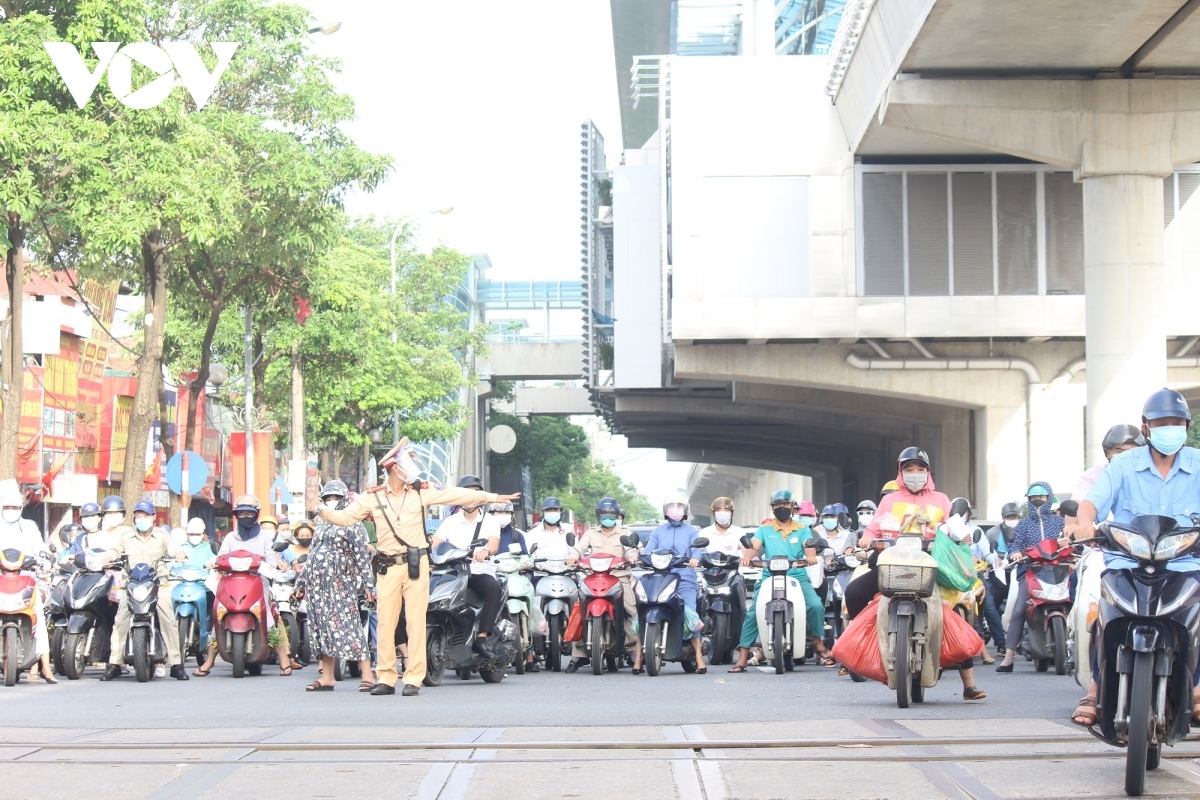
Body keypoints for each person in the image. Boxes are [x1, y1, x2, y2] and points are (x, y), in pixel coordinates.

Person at [310, 437, 517, 696]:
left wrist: (493, 496)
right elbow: (344, 518)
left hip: (416, 565)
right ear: (395, 468)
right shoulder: (371, 498)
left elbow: (455, 493)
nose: (412, 468)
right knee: (385, 623)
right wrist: (319, 509)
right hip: (387, 566)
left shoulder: (420, 491)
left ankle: (413, 679)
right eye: (407, 463)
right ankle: (385, 678)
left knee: (416, 622)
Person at [1065, 388, 1200, 726]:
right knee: (1105, 612)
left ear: (1186, 425)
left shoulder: (1198, 463)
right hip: (1128, 563)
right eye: (1161, 423)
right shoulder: (1123, 465)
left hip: (1184, 564)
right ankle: (1095, 688)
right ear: (1146, 427)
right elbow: (1091, 504)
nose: (1169, 429)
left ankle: (1196, 689)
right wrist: (1083, 525)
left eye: (1176, 423)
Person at [194, 495, 303, 677]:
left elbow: (270, 556)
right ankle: (209, 660)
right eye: (241, 513)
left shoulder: (264, 538)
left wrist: (271, 563)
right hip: (231, 582)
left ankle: (284, 659)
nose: (245, 516)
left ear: (256, 515)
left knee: (267, 617)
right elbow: (221, 556)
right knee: (219, 616)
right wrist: (214, 563)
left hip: (257, 582)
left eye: (249, 513)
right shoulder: (230, 537)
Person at [728, 490, 831, 673]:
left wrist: (811, 557)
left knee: (815, 605)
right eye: (777, 506)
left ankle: (817, 641)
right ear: (772, 508)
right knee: (754, 612)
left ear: (792, 507)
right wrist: (747, 557)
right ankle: (743, 656)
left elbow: (809, 547)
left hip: (797, 576)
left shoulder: (802, 528)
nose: (781, 508)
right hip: (770, 576)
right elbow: (753, 547)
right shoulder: (764, 529)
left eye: (784, 505)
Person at [297, 480, 375, 693]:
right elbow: (312, 553)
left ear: (344, 500)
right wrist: (300, 584)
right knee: (322, 629)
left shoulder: (353, 523)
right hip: (317, 586)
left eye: (336, 498)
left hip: (340, 584)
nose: (332, 502)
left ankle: (367, 674)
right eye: (328, 498)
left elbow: (361, 556)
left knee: (349, 627)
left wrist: (369, 586)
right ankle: (328, 677)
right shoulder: (320, 523)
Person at [99, 500, 189, 681]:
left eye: (146, 516)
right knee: (120, 621)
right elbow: (113, 552)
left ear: (154, 517)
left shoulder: (163, 536)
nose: (142, 519)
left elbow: (175, 550)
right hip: (132, 585)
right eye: (139, 516)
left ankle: (176, 664)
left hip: (157, 584)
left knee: (168, 619)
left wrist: (179, 554)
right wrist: (108, 558)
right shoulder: (125, 536)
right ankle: (114, 664)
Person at [430, 475, 505, 660]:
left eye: (475, 493)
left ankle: (482, 638)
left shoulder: (489, 520)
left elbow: (494, 544)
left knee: (493, 588)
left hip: (478, 572)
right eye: (466, 493)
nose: (470, 497)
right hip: (453, 573)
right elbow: (434, 543)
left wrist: (486, 551)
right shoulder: (450, 521)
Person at [995, 480, 1064, 673]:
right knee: (1019, 611)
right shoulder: (1023, 525)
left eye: (1041, 497)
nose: (1037, 501)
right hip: (1031, 572)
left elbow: (1070, 541)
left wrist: (1070, 545)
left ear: (1049, 498)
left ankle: (1083, 651)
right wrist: (1015, 552)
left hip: (1059, 571)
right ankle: (1008, 657)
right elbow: (1014, 544)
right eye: (1033, 498)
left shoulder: (1060, 522)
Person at [634, 492, 707, 673]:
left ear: (685, 511)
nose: (675, 510)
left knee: (690, 613)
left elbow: (697, 549)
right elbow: (649, 550)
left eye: (679, 507)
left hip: (684, 578)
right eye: (672, 507)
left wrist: (695, 559)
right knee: (641, 611)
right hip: (660, 577)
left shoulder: (692, 531)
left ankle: (698, 655)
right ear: (665, 511)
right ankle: (639, 655)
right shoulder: (658, 531)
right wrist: (639, 557)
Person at [566, 497, 641, 672]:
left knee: (632, 611)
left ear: (617, 515)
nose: (607, 518)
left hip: (619, 578)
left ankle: (632, 650)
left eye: (611, 514)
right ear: (598, 516)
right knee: (579, 609)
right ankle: (579, 654)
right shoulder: (591, 533)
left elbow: (631, 550)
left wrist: (632, 557)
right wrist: (573, 558)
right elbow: (579, 549)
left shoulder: (625, 533)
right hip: (594, 577)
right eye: (603, 514)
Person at [0, 483, 56, 683]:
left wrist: (46, 561)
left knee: (38, 615)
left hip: (26, 579)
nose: (11, 511)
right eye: (7, 508)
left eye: (15, 508)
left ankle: (45, 666)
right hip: (1, 579)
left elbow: (42, 551)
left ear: (21, 509)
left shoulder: (30, 528)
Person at [1072, 423, 1146, 500]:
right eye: (1120, 452)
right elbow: (1080, 501)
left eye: (1132, 452)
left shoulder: (1150, 475)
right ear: (1108, 453)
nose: (1126, 456)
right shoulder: (1093, 476)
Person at [61, 496, 126, 563]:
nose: (89, 519)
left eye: (92, 516)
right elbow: (72, 555)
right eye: (86, 516)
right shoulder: (79, 539)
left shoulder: (110, 536)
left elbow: (113, 553)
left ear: (99, 518)